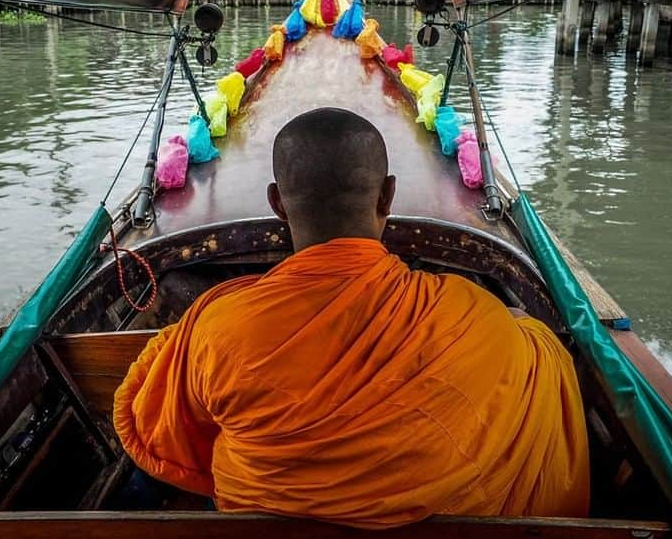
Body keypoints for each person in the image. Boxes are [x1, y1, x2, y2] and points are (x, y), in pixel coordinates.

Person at [113, 108, 590, 527]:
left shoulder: (216, 327)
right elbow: (549, 356)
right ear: (388, 196)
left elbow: (159, 432)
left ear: (277, 204)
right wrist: (517, 323)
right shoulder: (473, 314)